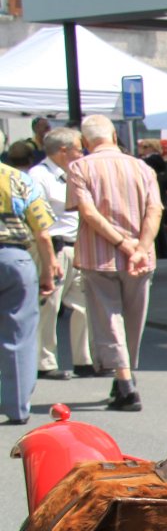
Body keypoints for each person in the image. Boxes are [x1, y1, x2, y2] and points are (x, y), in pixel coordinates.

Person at [67, 114, 161, 413]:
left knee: (108, 319)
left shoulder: (80, 167)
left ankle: (125, 383)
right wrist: (140, 247)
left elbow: (88, 213)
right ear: (114, 136)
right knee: (133, 319)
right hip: (140, 258)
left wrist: (122, 244)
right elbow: (155, 209)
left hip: (100, 255)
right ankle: (125, 377)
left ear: (85, 141)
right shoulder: (142, 167)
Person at [0, 141, 58, 425]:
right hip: (15, 260)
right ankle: (17, 408)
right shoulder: (17, 179)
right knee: (19, 337)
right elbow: (43, 231)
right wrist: (48, 269)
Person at [29, 126, 92, 381]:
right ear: (63, 150)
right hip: (54, 247)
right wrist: (47, 258)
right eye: (79, 148)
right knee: (49, 307)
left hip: (77, 246)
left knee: (84, 304)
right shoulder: (39, 175)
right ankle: (44, 362)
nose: (82, 153)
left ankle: (84, 359)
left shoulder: (73, 173)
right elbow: (38, 219)